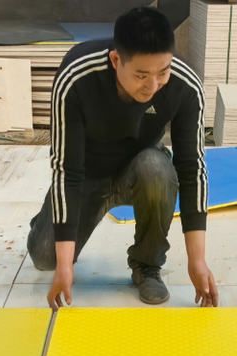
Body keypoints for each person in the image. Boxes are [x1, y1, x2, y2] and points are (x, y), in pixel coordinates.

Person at [27, 7, 218, 308]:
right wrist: (65, 265)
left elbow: (192, 169)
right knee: (45, 258)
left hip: (139, 171)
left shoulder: (185, 85)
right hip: (87, 174)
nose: (153, 86)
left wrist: (198, 260)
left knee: (157, 168)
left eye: (163, 72)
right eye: (141, 75)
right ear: (116, 61)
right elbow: (66, 170)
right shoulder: (77, 77)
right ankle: (51, 218)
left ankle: (146, 265)